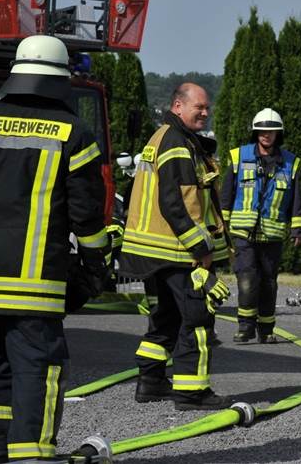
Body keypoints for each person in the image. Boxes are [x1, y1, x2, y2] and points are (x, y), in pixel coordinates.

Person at [0, 35, 110, 463]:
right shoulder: (74, 133)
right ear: (61, 80)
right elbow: (87, 216)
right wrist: (96, 263)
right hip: (35, 279)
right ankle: (30, 456)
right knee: (36, 368)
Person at [120, 82, 232, 411]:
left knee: (165, 318)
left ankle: (152, 382)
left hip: (155, 252)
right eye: (199, 106)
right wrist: (202, 250)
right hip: (177, 251)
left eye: (207, 107)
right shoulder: (177, 143)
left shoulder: (164, 137)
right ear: (178, 106)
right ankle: (191, 392)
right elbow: (178, 205)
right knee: (197, 318)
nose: (205, 112)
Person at [220, 108, 301, 344]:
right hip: (243, 233)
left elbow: (297, 199)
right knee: (247, 279)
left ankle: (266, 330)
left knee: (268, 283)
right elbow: (226, 193)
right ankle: (245, 327)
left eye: (271, 131)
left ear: (279, 134)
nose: (266, 135)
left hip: (272, 234)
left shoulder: (291, 163)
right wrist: (221, 226)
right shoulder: (239, 156)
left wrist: (297, 229)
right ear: (255, 133)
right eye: (262, 131)